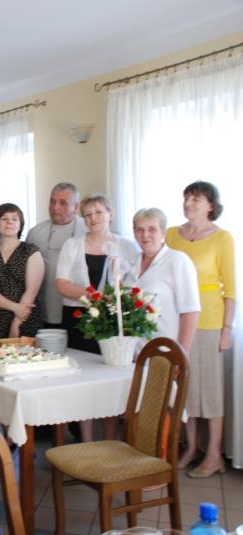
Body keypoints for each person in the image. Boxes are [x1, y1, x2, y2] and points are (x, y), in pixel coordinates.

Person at [165, 181, 235, 478]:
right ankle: (191, 448)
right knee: (186, 390)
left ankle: (214, 455)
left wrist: (227, 329)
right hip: (174, 319)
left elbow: (230, 288)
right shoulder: (171, 235)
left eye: (197, 198)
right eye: (187, 198)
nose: (189, 203)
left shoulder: (222, 238)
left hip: (208, 321)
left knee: (210, 390)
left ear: (211, 205)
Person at [56, 194, 138, 354]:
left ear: (111, 214)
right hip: (78, 315)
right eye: (87, 214)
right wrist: (94, 297)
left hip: (114, 317)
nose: (93, 218)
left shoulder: (128, 246)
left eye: (99, 212)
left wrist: (110, 301)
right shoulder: (71, 245)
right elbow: (61, 284)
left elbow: (134, 285)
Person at [128, 208, 200, 350]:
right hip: (132, 352)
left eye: (152, 229)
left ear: (163, 233)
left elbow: (190, 311)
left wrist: (181, 352)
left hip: (165, 350)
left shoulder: (178, 261)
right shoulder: (129, 262)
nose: (145, 235)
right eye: (140, 230)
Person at [26, 182, 87, 327]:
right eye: (52, 201)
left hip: (78, 308)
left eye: (63, 203)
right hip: (44, 306)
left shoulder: (87, 231)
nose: (55, 207)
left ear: (76, 207)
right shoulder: (35, 233)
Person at [0, 203, 44, 346]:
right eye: (4, 218)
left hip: (25, 317)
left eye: (14, 218)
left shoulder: (31, 251)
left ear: (20, 223)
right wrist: (14, 307)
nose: (9, 222)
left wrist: (17, 322)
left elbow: (32, 291)